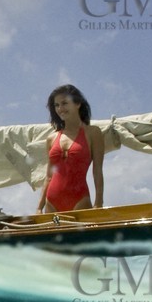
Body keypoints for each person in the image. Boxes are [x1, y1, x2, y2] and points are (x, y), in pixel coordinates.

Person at [40, 84, 105, 213]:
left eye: (64, 103)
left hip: (79, 200)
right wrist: (38, 207)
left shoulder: (93, 133)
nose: (60, 109)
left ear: (78, 103)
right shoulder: (51, 138)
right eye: (57, 105)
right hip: (51, 201)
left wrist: (99, 203)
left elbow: (97, 171)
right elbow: (49, 176)